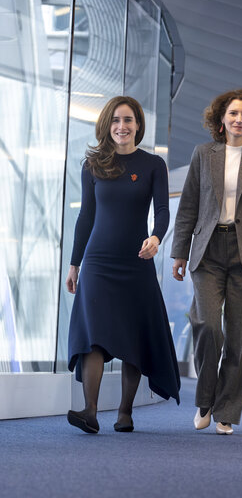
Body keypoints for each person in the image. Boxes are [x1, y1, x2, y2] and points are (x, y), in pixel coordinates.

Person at [66, 96, 180, 434]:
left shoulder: (153, 165)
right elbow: (86, 217)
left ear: (138, 125)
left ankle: (125, 411)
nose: (122, 126)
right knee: (94, 336)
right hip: (98, 262)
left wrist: (157, 238)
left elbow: (162, 211)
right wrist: (74, 264)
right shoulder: (93, 165)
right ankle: (89, 411)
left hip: (136, 259)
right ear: (107, 124)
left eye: (128, 120)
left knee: (133, 334)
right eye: (116, 120)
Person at [171, 89, 242, 436]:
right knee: (207, 325)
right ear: (221, 119)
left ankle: (226, 411)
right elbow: (188, 206)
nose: (239, 120)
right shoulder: (204, 154)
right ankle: (206, 398)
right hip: (208, 250)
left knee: (240, 337)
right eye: (233, 113)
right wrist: (179, 252)